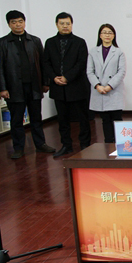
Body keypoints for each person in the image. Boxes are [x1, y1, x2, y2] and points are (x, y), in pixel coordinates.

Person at [0, 10, 56, 158]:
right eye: (14, 22)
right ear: (9, 24)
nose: (18, 25)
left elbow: (43, 63)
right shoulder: (2, 42)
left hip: (34, 86)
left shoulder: (34, 41)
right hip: (14, 88)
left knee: (36, 118)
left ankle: (40, 144)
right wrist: (3, 88)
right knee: (16, 120)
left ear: (24, 22)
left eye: (20, 21)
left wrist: (45, 83)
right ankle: (18, 148)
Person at [43, 12, 91, 157]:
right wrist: (54, 78)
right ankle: (66, 145)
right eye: (62, 23)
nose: (65, 26)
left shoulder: (79, 42)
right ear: (56, 25)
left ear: (72, 24)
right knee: (62, 119)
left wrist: (67, 77)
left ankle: (85, 144)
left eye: (68, 23)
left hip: (77, 86)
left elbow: (81, 63)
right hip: (58, 87)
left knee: (83, 118)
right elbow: (46, 63)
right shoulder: (50, 42)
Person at [86, 24, 126, 143]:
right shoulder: (93, 52)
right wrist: (97, 85)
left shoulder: (119, 52)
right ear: (100, 35)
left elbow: (121, 71)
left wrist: (109, 86)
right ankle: (108, 143)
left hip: (114, 90)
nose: (107, 35)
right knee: (105, 119)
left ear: (114, 36)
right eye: (104, 32)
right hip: (99, 90)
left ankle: (121, 143)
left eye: (110, 33)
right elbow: (89, 71)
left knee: (117, 118)